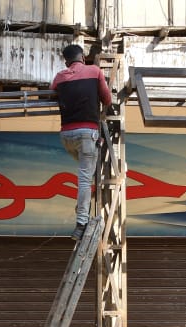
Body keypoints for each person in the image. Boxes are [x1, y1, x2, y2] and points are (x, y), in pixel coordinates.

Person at [50, 43, 111, 241]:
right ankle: (81, 223)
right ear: (83, 58)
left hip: (67, 136)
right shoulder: (94, 71)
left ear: (66, 62)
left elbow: (52, 92)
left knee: (88, 170)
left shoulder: (60, 76)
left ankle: (82, 204)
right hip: (87, 134)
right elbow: (107, 99)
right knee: (85, 177)